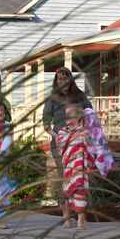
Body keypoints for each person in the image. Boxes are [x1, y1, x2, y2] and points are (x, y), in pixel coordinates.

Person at [43, 67, 92, 204]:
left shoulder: (80, 96)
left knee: (79, 174)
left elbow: (90, 115)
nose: (62, 81)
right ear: (56, 81)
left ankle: (79, 206)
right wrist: (57, 136)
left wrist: (85, 132)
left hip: (78, 141)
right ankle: (65, 208)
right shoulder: (52, 98)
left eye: (65, 78)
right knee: (64, 174)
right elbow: (46, 124)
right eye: (60, 79)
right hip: (60, 143)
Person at [57, 105, 94, 229]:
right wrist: (74, 135)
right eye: (66, 114)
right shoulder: (62, 131)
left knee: (80, 192)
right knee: (66, 193)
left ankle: (80, 219)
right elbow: (60, 144)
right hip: (68, 166)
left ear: (78, 117)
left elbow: (90, 148)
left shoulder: (85, 131)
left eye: (70, 114)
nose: (67, 116)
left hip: (80, 168)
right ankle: (67, 219)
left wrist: (90, 165)